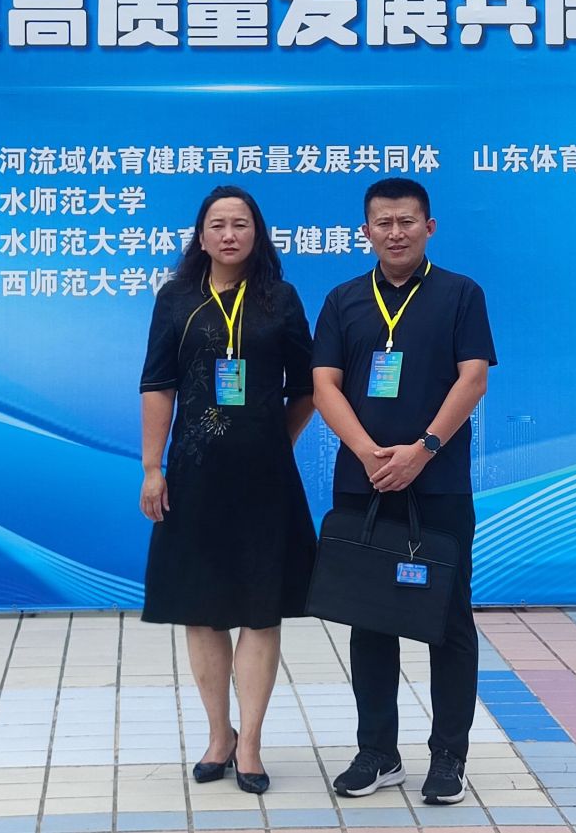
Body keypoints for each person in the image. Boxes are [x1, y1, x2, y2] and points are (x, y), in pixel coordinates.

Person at [312, 177, 494, 806]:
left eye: (407, 221)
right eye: (383, 223)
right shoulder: (343, 300)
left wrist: (424, 449)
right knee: (370, 617)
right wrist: (368, 453)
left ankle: (449, 756)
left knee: (449, 619)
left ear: (429, 227)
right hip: (363, 484)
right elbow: (324, 385)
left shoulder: (461, 294)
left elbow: (473, 379)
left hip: (437, 483)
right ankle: (377, 753)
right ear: (366, 232)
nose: (396, 233)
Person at [138, 185, 316, 796]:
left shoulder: (279, 298)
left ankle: (253, 743)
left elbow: (309, 386)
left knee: (261, 612)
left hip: (266, 480)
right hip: (194, 477)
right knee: (202, 609)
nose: (229, 234)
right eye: (218, 224)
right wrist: (152, 467)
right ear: (201, 235)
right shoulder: (176, 297)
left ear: (257, 233)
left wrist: (276, 438)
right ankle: (220, 735)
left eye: (241, 223)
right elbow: (158, 383)